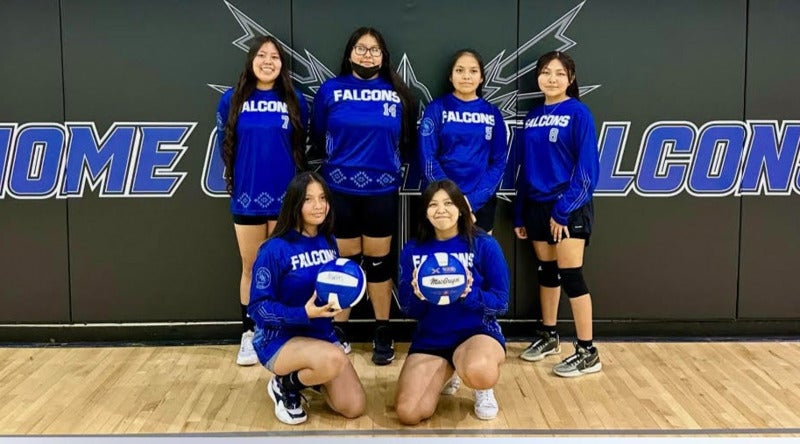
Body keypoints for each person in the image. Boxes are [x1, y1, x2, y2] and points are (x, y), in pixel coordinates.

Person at [310, 27, 416, 365]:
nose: (367, 55)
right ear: (349, 53)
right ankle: (338, 329)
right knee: (344, 261)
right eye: (360, 48)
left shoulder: (398, 94)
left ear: (383, 56)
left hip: (381, 191)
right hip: (339, 190)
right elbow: (317, 135)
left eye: (374, 49)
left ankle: (382, 329)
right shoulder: (330, 90)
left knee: (378, 262)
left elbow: (407, 143)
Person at [216, 36, 309, 366]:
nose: (268, 61)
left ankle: (278, 330)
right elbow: (225, 145)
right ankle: (250, 332)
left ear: (282, 65)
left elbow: (301, 145)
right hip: (248, 197)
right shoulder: (232, 100)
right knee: (252, 267)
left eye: (275, 56)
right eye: (261, 55)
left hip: (286, 199)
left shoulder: (295, 100)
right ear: (251, 60)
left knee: (283, 268)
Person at [249, 171, 366, 425]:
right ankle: (286, 384)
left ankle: (311, 374)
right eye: (309, 199)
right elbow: (258, 308)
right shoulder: (274, 249)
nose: (318, 206)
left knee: (353, 406)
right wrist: (303, 313)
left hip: (319, 335)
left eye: (323, 198)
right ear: (295, 204)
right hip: (279, 340)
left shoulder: (328, 241)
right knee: (335, 359)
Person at [513, 51, 602, 377]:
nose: (552, 79)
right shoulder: (533, 116)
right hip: (536, 206)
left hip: (569, 206)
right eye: (546, 72)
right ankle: (549, 335)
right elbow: (526, 168)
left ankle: (587, 351)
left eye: (559, 73)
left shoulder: (579, 113)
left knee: (571, 276)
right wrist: (520, 212)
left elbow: (588, 172)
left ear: (570, 79)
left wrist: (563, 211)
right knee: (546, 272)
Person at [395, 180, 509, 424]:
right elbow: (407, 308)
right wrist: (418, 295)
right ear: (425, 212)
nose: (441, 210)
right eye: (433, 204)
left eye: (448, 203)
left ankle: (480, 387)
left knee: (480, 372)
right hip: (432, 338)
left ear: (461, 208)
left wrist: (468, 295)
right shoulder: (413, 250)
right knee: (408, 413)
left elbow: (501, 302)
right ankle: (449, 370)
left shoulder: (483, 244)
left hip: (476, 334)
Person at [418, 49, 508, 233]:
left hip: (480, 202)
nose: (466, 76)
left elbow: (499, 162)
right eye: (459, 70)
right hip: (441, 201)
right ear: (451, 76)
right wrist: (451, 199)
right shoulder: (436, 109)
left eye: (473, 71)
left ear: (481, 78)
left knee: (478, 251)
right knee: (444, 251)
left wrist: (472, 201)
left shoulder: (492, 113)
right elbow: (427, 157)